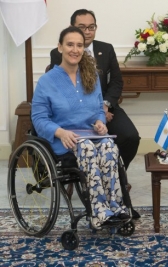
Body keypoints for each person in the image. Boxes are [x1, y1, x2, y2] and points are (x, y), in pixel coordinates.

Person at [32, 26, 131, 230]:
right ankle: (98, 213)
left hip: (91, 135)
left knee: (110, 148)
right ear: (60, 47)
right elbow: (39, 119)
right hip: (64, 139)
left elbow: (97, 110)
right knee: (86, 147)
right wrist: (60, 132)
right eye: (70, 44)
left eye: (79, 45)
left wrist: (100, 122)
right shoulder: (46, 81)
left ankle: (116, 207)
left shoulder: (91, 76)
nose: (75, 49)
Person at [49, 9, 140, 171]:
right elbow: (60, 88)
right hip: (75, 109)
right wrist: (94, 110)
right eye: (82, 27)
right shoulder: (61, 52)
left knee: (131, 137)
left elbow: (116, 81)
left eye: (91, 27)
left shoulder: (106, 49)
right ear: (72, 27)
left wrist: (105, 105)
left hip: (106, 106)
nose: (87, 32)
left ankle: (115, 173)